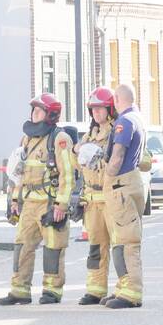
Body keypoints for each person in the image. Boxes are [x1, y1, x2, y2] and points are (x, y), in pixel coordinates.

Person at [0, 93, 75, 305]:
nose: (34, 114)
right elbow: (19, 173)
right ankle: (19, 290)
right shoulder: (27, 139)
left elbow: (67, 175)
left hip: (50, 204)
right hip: (29, 203)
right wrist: (15, 200)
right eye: (33, 110)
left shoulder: (60, 140)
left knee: (52, 249)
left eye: (38, 111)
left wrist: (61, 204)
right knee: (22, 246)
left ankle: (52, 291)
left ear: (50, 115)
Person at [101, 84, 146, 309]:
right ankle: (123, 287)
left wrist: (105, 171)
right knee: (121, 239)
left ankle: (131, 292)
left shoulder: (124, 122)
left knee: (127, 240)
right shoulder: (138, 118)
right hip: (133, 183)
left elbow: (117, 157)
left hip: (121, 186)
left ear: (118, 99)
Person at [72, 87, 117, 305]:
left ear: (110, 109)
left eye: (100, 108)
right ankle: (95, 289)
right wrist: (76, 152)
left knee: (119, 246)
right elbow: (78, 166)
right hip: (92, 201)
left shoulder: (118, 132)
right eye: (93, 109)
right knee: (95, 248)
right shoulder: (89, 135)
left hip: (111, 199)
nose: (96, 113)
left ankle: (123, 289)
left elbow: (140, 160)